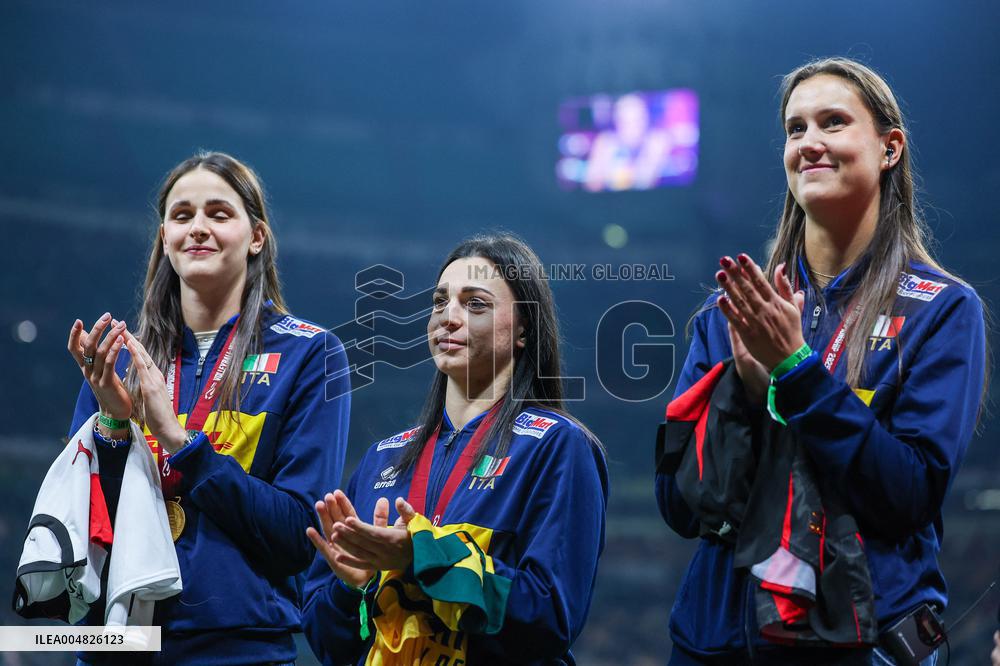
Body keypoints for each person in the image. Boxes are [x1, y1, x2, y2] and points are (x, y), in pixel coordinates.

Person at [655, 57, 986, 664]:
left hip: (862, 640)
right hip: (720, 641)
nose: (809, 143)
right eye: (795, 128)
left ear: (889, 149)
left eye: (833, 123)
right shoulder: (730, 313)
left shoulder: (943, 309)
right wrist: (744, 397)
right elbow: (680, 507)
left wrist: (797, 373)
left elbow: (909, 496)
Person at [63, 151, 351, 664]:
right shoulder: (118, 359)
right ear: (164, 240)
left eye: (219, 214)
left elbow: (296, 536)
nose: (198, 228)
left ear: (256, 237)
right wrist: (110, 424)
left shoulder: (310, 355)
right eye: (181, 216)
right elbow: (82, 529)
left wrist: (179, 441)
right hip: (114, 645)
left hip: (236, 649)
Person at [302, 233, 608, 665]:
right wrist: (352, 588)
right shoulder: (381, 459)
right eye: (440, 301)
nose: (448, 317)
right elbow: (328, 645)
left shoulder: (558, 446)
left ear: (524, 328)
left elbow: (550, 620)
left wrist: (420, 557)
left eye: (475, 303)